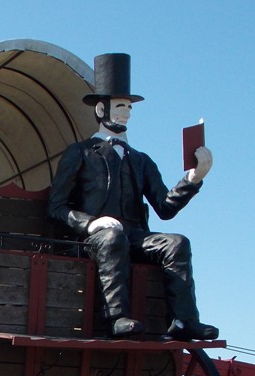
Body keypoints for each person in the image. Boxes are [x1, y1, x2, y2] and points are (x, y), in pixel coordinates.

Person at [47, 53, 217, 340]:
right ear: (101, 109)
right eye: (120, 106)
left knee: (177, 243)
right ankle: (116, 317)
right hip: (93, 239)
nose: (126, 113)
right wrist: (91, 223)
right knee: (113, 238)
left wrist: (193, 179)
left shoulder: (140, 160)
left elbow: (164, 207)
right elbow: (56, 207)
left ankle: (184, 321)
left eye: (128, 107)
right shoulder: (80, 153)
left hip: (135, 236)